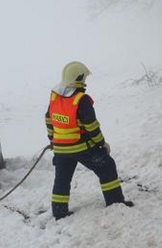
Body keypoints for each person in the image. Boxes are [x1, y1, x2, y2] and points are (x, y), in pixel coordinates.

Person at [45, 61, 133, 220]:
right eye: (84, 78)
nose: (85, 81)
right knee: (106, 166)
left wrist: (53, 139)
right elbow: (92, 127)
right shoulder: (81, 99)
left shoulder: (55, 97)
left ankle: (59, 211)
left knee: (62, 180)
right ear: (78, 78)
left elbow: (48, 120)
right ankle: (115, 202)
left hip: (60, 149)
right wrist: (101, 144)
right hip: (81, 147)